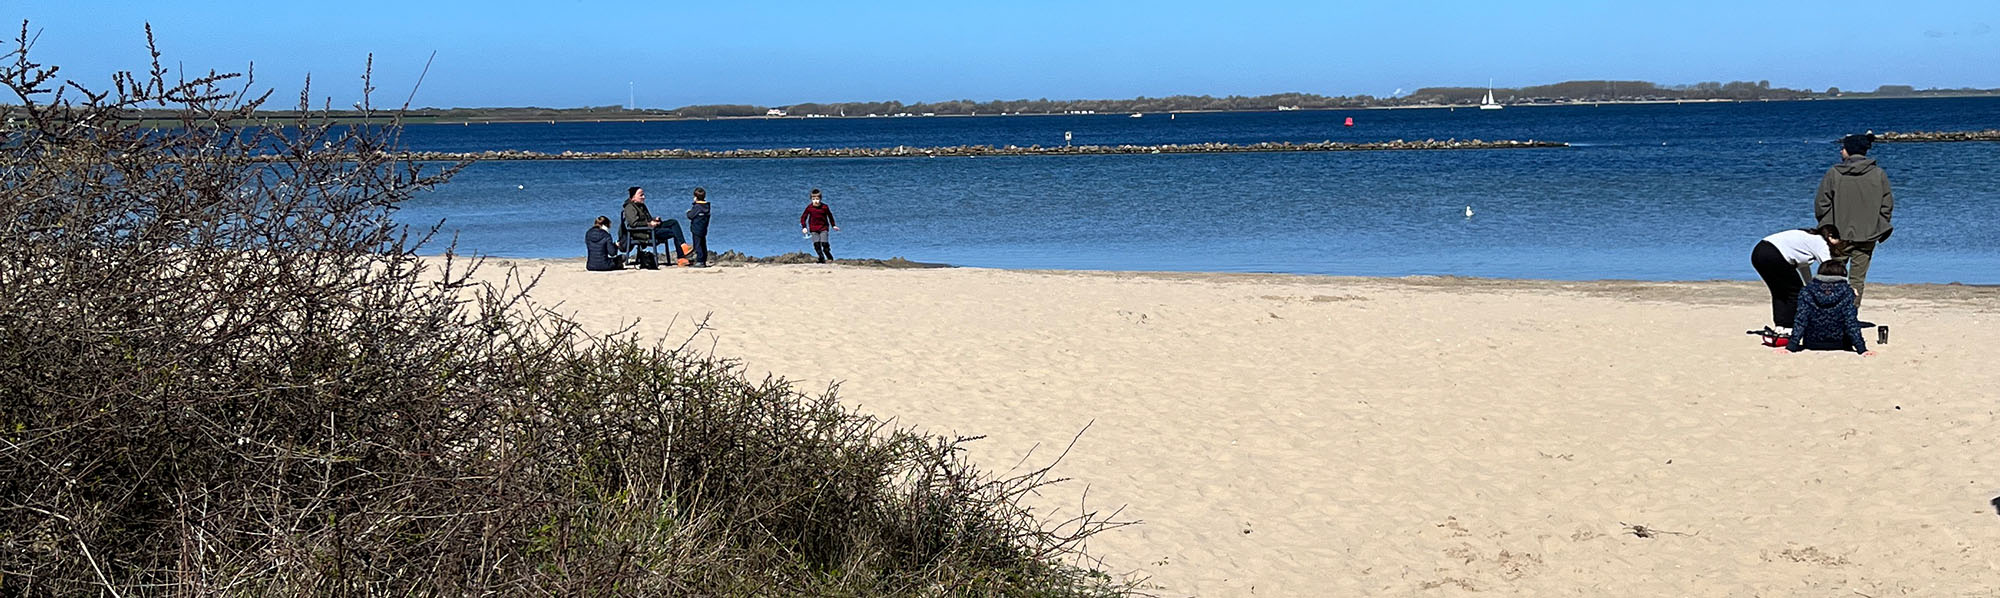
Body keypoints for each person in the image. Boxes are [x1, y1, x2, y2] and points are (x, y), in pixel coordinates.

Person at [1814, 133, 1893, 302]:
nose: (1841, 151)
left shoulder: (1834, 173)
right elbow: (1886, 206)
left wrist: (1827, 229)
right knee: (1857, 280)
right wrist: (1879, 226)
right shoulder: (1878, 174)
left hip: (1838, 235)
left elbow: (1822, 204)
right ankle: (1850, 314)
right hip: (1867, 234)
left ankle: (1833, 312)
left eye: (1843, 148)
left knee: (1834, 277)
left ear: (1849, 151)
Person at [1749, 224, 1843, 329]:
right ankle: (1790, 327)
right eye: (1837, 240)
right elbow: (1829, 266)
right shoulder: (1820, 241)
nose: (1837, 245)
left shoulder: (1807, 238)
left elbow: (1803, 267)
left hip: (1758, 252)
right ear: (1830, 236)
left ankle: (1780, 326)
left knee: (1779, 292)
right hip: (1774, 253)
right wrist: (1842, 287)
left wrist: (1810, 286)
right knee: (1795, 292)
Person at [1782, 260, 1874, 356]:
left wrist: (1791, 346)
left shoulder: (1807, 290)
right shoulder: (1847, 291)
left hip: (1812, 343)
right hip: (1842, 343)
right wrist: (1862, 349)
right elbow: (1850, 321)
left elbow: (1801, 320)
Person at [620, 186, 691, 265]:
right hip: (644, 232)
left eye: (643, 195)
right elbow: (633, 223)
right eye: (641, 195)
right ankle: (681, 258)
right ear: (633, 197)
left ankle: (683, 246)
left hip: (651, 227)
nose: (644, 197)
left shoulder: (642, 205)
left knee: (673, 222)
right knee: (673, 232)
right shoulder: (629, 207)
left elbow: (648, 218)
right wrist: (649, 224)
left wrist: (654, 220)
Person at [799, 188, 839, 263]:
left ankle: (829, 256)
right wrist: (804, 227)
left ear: (820, 199)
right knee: (816, 244)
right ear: (811, 199)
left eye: (817, 199)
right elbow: (803, 217)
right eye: (813, 199)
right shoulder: (809, 208)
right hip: (813, 229)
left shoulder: (825, 207)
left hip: (823, 228)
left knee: (824, 243)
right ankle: (821, 258)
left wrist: (833, 225)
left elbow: (830, 216)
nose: (815, 201)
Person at [686, 187, 711, 267]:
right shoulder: (706, 206)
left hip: (696, 229)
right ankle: (703, 259)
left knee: (697, 245)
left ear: (696, 197)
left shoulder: (697, 207)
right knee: (703, 244)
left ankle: (700, 261)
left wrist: (688, 212)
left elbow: (690, 215)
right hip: (703, 229)